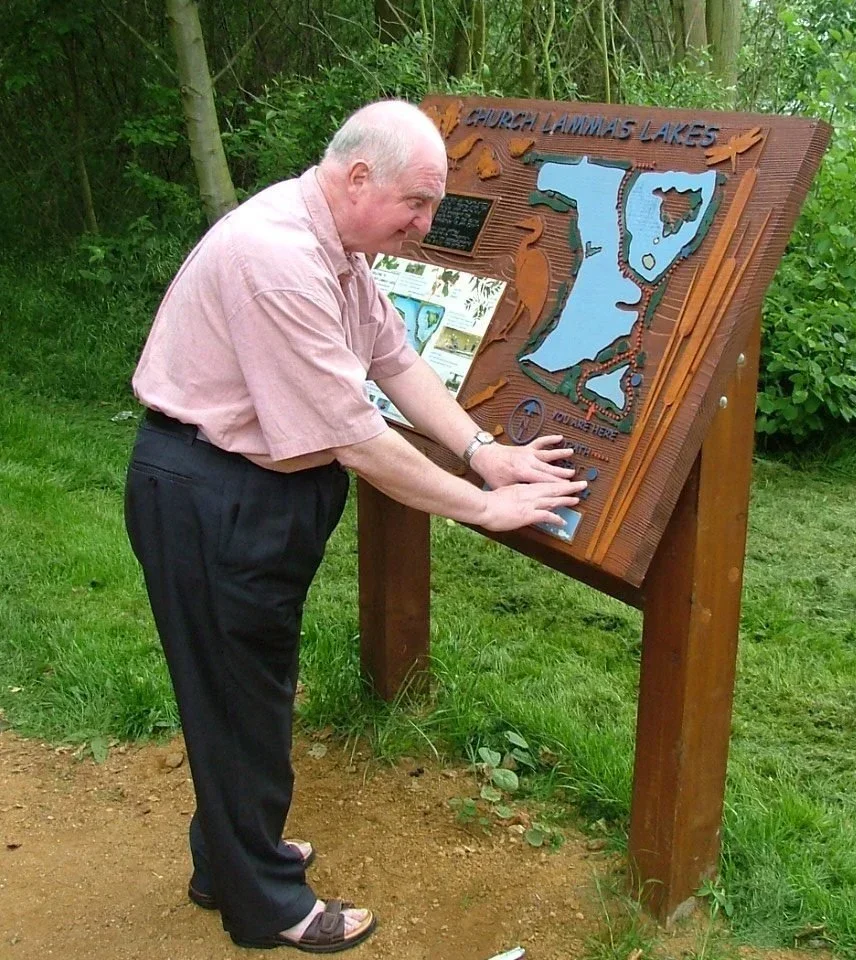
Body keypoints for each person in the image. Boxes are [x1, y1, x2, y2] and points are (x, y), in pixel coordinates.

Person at [123, 99, 585, 954]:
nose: (424, 224)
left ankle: (227, 860)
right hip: (211, 493)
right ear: (358, 176)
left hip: (250, 493)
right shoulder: (279, 259)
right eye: (415, 204)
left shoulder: (339, 247)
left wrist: (483, 451)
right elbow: (354, 436)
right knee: (238, 700)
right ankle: (267, 906)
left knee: (245, 693)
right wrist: (484, 508)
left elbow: (393, 359)